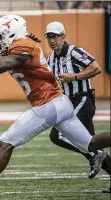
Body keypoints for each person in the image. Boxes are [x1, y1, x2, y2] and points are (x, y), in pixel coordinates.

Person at [0, 15, 111, 200]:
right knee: (90, 144)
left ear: (12, 32)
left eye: (1, 36)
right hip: (59, 103)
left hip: (47, 105)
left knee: (6, 142)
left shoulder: (25, 45)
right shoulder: (17, 48)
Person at [44, 21, 110, 184]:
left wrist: (74, 77)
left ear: (63, 36)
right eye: (49, 37)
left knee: (57, 134)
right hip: (68, 102)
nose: (52, 40)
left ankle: (94, 154)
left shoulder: (75, 52)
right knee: (92, 141)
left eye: (55, 36)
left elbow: (96, 68)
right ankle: (97, 154)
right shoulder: (51, 58)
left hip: (82, 98)